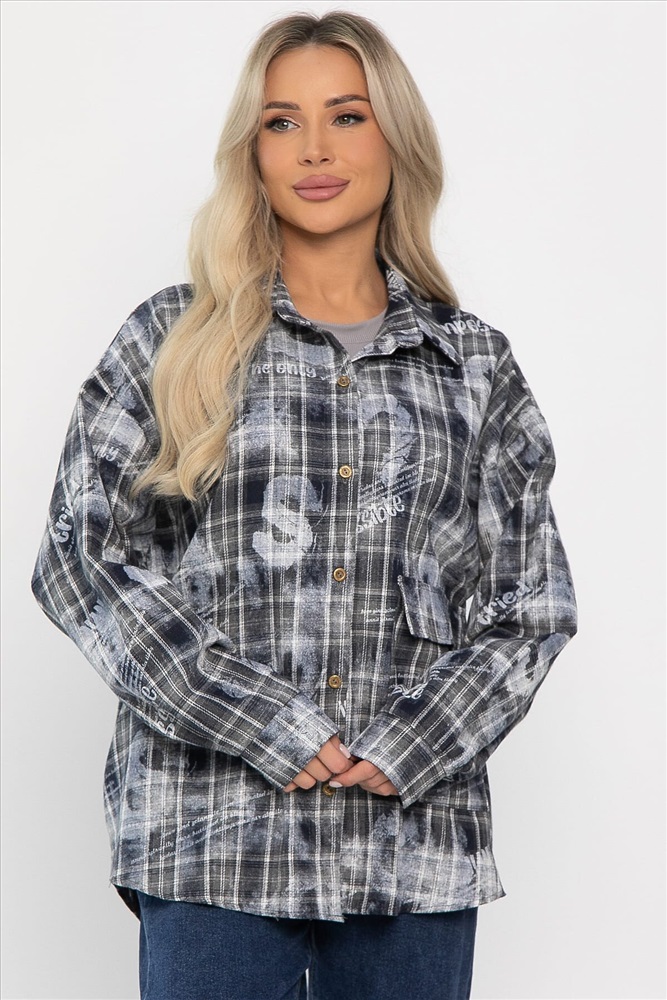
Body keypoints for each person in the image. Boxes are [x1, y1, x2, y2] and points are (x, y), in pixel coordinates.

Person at [31, 10, 577, 1000]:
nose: (314, 149)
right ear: (252, 153)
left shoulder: (474, 366)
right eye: (281, 122)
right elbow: (80, 559)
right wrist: (267, 722)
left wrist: (409, 744)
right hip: (211, 848)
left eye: (346, 116)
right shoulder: (169, 341)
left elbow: (530, 605)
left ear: (395, 139)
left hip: (411, 857)